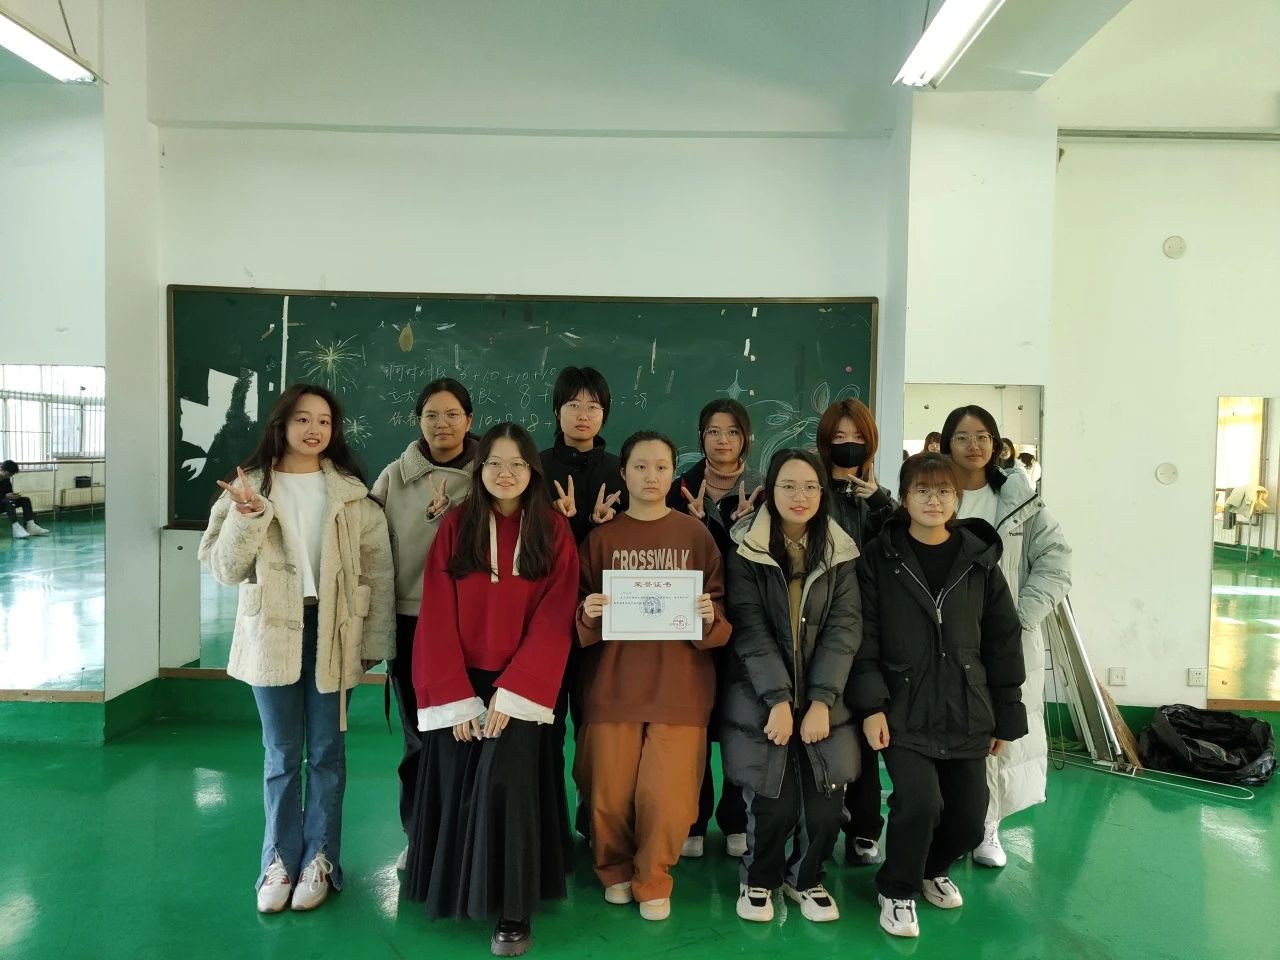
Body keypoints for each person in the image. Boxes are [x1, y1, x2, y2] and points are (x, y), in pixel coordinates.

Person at [198, 383, 395, 914]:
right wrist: (246, 517)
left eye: (324, 421)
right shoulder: (248, 487)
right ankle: (279, 860)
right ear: (281, 424)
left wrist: (373, 641)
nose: (314, 429)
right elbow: (223, 568)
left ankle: (320, 859)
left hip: (334, 631)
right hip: (272, 634)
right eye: (303, 419)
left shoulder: (351, 494)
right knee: (281, 754)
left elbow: (377, 571)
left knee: (327, 753)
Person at [405, 422, 579, 957]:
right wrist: (454, 695)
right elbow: (436, 611)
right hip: (461, 679)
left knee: (507, 781)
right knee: (457, 777)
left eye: (517, 464)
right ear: (480, 471)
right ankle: (458, 891)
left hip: (523, 682)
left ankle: (512, 907)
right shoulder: (457, 525)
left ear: (532, 471)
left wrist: (516, 690)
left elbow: (556, 615)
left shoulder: (553, 529)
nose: (506, 473)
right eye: (495, 463)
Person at [851, 452, 1026, 939]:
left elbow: (1002, 640)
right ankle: (897, 888)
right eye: (922, 491)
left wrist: (1006, 714)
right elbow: (864, 638)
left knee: (970, 819)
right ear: (905, 497)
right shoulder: (880, 557)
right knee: (920, 803)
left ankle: (931, 868)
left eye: (944, 491)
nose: (934, 500)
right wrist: (872, 706)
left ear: (957, 498)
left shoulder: (979, 559)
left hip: (967, 706)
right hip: (903, 705)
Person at [574, 430, 731, 921]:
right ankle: (614, 869)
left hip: (679, 687)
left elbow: (721, 614)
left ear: (673, 472)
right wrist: (587, 611)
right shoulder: (600, 540)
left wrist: (708, 615)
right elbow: (574, 612)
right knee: (607, 792)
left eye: (661, 466)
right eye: (640, 466)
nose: (651, 476)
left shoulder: (696, 536)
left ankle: (654, 876)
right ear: (623, 473)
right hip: (612, 686)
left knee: (669, 796)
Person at [720, 449, 861, 924]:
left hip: (826, 698)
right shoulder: (746, 549)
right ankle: (758, 878)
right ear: (771, 491)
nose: (800, 496)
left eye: (810, 487)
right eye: (788, 486)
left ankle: (806, 878)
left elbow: (845, 629)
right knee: (772, 801)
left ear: (822, 493)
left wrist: (821, 701)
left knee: (826, 806)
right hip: (760, 695)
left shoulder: (841, 552)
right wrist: (779, 700)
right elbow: (750, 630)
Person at [942, 405, 1071, 868]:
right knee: (947, 730)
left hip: (1003, 642)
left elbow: (1056, 561)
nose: (973, 446)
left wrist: (1018, 618)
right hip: (947, 639)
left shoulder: (1020, 501)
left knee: (997, 735)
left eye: (982, 436)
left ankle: (987, 827)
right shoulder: (934, 492)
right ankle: (951, 824)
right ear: (946, 443)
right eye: (962, 437)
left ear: (996, 445)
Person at [371, 377, 477, 870]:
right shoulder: (394, 477)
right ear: (419, 421)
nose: (442, 424)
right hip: (412, 621)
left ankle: (467, 836)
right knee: (418, 735)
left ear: (469, 421)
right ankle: (418, 835)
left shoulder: (489, 473)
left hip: (472, 626)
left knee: (467, 733)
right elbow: (369, 548)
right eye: (432, 415)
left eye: (453, 414)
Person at [668, 398, 763, 860]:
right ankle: (693, 818)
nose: (722, 440)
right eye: (713, 431)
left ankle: (735, 819)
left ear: (746, 438)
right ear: (700, 437)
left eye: (732, 432)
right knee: (695, 724)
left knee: (740, 720)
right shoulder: (678, 489)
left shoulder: (764, 491)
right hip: (691, 622)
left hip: (746, 623)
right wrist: (695, 525)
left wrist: (739, 530)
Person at [539, 366, 627, 839]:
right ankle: (549, 823)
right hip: (547, 620)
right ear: (557, 411)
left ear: (604, 413)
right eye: (573, 404)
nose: (583, 414)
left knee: (596, 727)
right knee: (547, 727)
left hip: (604, 621)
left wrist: (596, 528)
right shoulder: (534, 469)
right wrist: (557, 525)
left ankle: (592, 817)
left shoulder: (621, 470)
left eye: (593, 406)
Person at [814, 398, 893, 866]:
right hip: (823, 626)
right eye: (839, 437)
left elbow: (905, 541)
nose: (848, 445)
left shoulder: (882, 499)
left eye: (857, 438)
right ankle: (820, 820)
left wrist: (879, 501)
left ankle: (865, 826)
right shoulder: (813, 491)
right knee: (824, 722)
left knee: (867, 724)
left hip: (874, 629)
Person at [0, 460, 50, 538]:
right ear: (1, 469)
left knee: (25, 500)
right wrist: (5, 496)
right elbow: (5, 496)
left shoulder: (6, 479)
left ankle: (31, 526)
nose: (9, 477)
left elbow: (9, 492)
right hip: (4, 502)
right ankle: (16, 527)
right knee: (8, 502)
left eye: (11, 475)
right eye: (8, 474)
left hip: (4, 502)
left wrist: (13, 496)